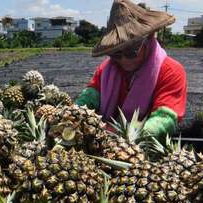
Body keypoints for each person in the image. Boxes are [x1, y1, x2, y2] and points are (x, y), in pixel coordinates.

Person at [76, 0, 187, 139]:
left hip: (145, 151)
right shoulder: (105, 70)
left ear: (149, 38)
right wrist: (73, 113)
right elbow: (88, 99)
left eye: (131, 51)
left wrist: (126, 136)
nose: (123, 59)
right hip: (103, 143)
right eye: (115, 53)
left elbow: (165, 118)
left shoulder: (171, 71)